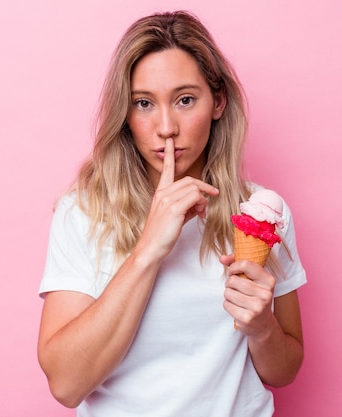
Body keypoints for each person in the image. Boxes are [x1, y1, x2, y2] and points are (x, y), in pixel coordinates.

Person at [37, 10, 307, 416]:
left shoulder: (262, 212)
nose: (166, 127)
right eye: (144, 103)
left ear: (218, 102)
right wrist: (149, 249)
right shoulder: (84, 212)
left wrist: (262, 328)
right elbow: (66, 384)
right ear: (125, 117)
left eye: (185, 100)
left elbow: (284, 371)